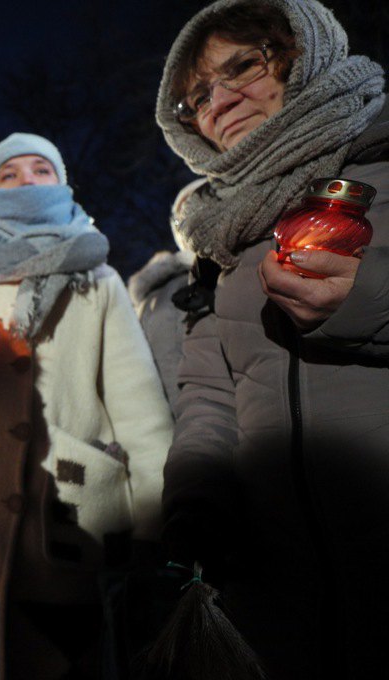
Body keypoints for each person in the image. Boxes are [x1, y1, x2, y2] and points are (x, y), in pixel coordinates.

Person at [155, 0, 388, 676]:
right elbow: (208, 391)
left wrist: (364, 300)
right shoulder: (220, 236)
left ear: (300, 59)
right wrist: (195, 511)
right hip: (275, 593)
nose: (219, 101)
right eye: (197, 96)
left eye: (243, 68)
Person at [0, 133, 174, 678]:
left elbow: (139, 406)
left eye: (40, 170)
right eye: (9, 173)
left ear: (62, 183)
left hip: (71, 525)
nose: (25, 180)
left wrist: (150, 528)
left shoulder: (98, 279)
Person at [127, 178, 204, 416]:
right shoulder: (157, 295)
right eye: (185, 213)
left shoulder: (255, 269)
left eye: (206, 204)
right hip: (185, 427)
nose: (198, 218)